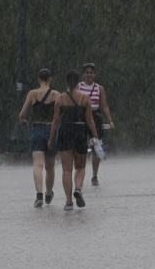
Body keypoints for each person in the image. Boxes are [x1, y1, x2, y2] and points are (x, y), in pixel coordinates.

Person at [48, 70, 99, 211]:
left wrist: (51, 138)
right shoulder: (85, 98)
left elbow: (56, 121)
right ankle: (78, 188)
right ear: (78, 82)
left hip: (65, 132)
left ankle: (69, 201)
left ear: (66, 81)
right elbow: (90, 120)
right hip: (80, 131)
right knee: (81, 167)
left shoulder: (60, 99)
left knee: (66, 169)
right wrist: (96, 137)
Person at [18, 69, 60, 207]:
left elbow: (22, 114)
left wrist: (23, 122)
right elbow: (60, 116)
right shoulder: (56, 95)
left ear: (38, 79)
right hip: (51, 130)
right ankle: (49, 193)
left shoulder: (32, 94)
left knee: (37, 164)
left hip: (37, 130)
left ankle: (39, 195)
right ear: (50, 79)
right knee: (50, 167)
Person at [78, 62, 114, 187]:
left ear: (95, 74)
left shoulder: (99, 88)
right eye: (87, 72)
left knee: (96, 146)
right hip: (82, 117)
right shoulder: (79, 87)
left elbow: (104, 105)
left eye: (91, 73)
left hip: (96, 116)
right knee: (80, 146)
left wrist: (110, 121)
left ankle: (94, 176)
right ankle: (80, 174)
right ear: (83, 74)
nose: (89, 75)